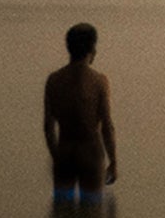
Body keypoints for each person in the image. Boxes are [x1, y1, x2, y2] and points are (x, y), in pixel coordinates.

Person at [43, 22, 117, 200]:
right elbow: (107, 125)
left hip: (65, 152)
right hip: (90, 154)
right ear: (92, 50)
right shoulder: (99, 81)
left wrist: (56, 156)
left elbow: (48, 127)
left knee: (62, 211)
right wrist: (114, 161)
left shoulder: (54, 80)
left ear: (69, 48)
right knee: (91, 215)